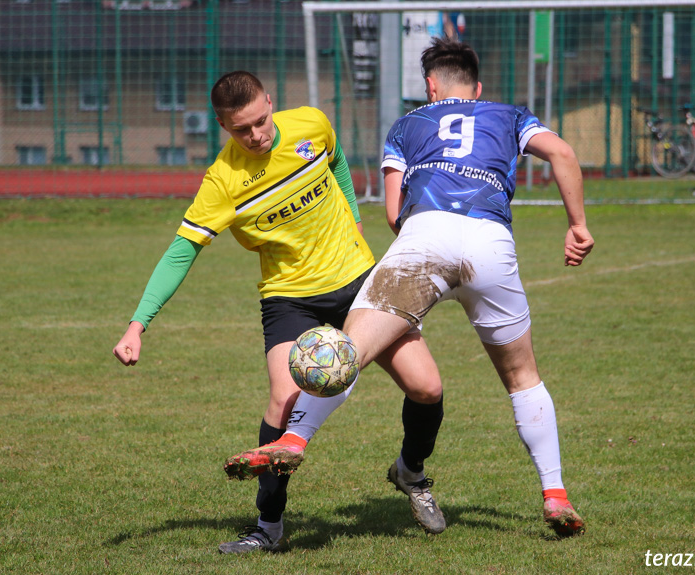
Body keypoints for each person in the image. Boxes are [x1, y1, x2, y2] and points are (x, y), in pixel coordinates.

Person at [227, 37, 593, 537]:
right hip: (490, 244)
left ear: (430, 86)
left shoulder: (407, 125)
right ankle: (555, 494)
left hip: (424, 240)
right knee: (523, 378)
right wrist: (577, 226)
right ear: (477, 88)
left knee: (348, 351)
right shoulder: (509, 114)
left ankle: (294, 441)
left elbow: (396, 214)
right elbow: (562, 153)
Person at [112, 70, 446, 554]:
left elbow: (337, 163)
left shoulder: (311, 124)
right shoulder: (223, 180)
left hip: (359, 283)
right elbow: (181, 251)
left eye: (261, 121)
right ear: (223, 126)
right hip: (290, 299)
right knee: (284, 401)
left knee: (426, 387)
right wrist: (137, 325)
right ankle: (268, 526)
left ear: (271, 102)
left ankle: (411, 473)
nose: (256, 135)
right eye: (241, 129)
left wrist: (352, 216)